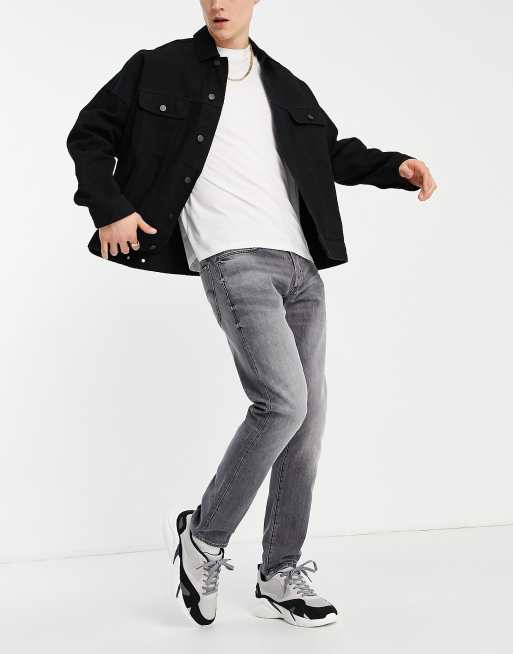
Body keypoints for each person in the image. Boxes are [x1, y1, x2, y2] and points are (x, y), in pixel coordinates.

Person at [66, 0, 437, 629]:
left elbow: (330, 153)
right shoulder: (158, 67)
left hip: (301, 268)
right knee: (283, 403)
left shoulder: (284, 84)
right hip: (232, 257)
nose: (219, 4)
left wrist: (393, 168)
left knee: (306, 421)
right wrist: (110, 208)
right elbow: (90, 134)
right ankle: (204, 537)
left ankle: (280, 572)